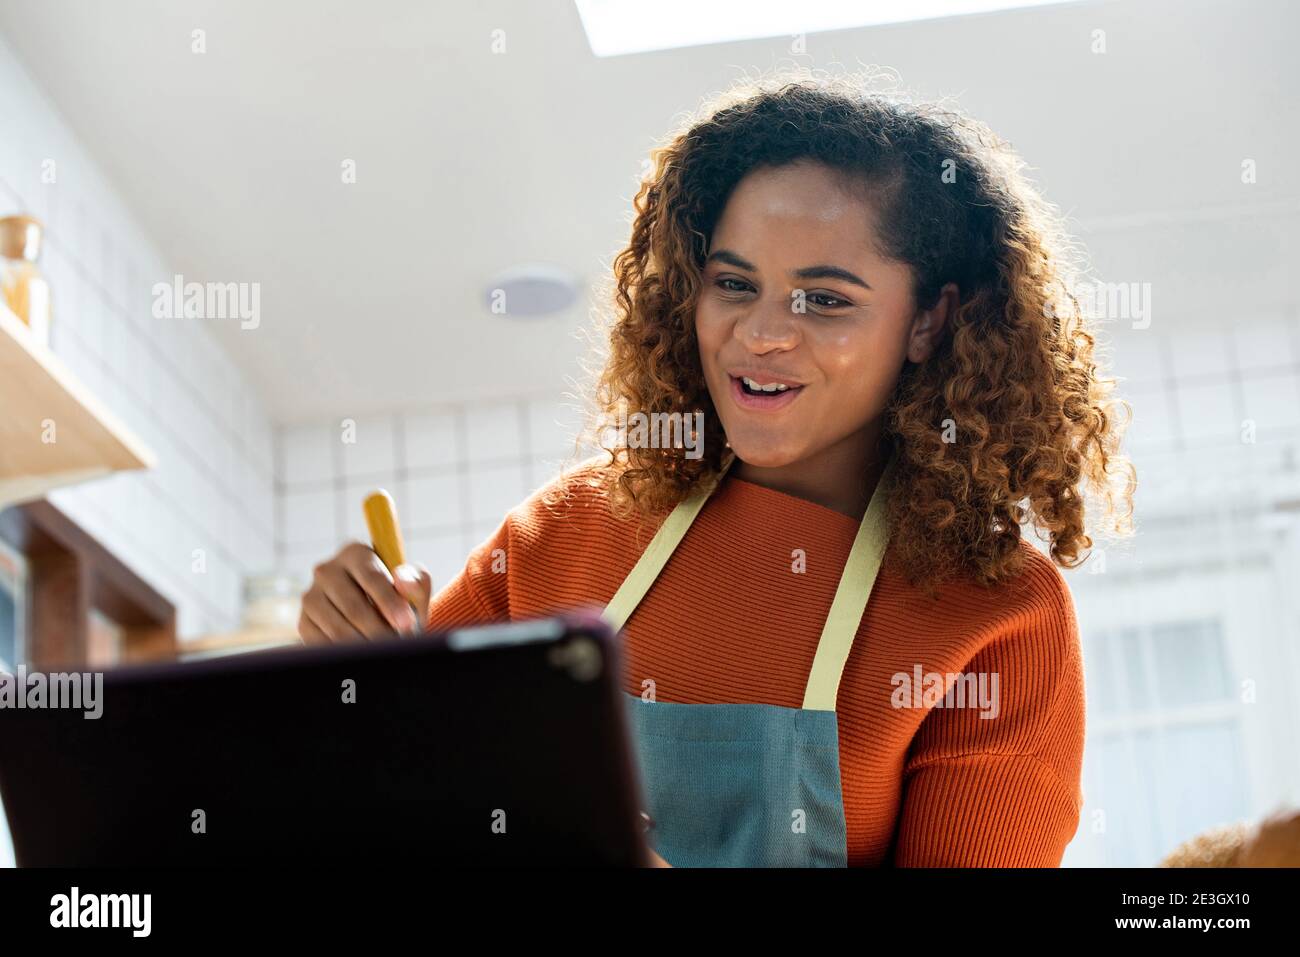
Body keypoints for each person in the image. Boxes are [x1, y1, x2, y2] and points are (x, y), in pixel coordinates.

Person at [299, 70, 1136, 867]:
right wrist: (357, 672)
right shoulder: (574, 526)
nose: (762, 333)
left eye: (825, 298)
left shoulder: (997, 616)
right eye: (733, 283)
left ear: (929, 320)